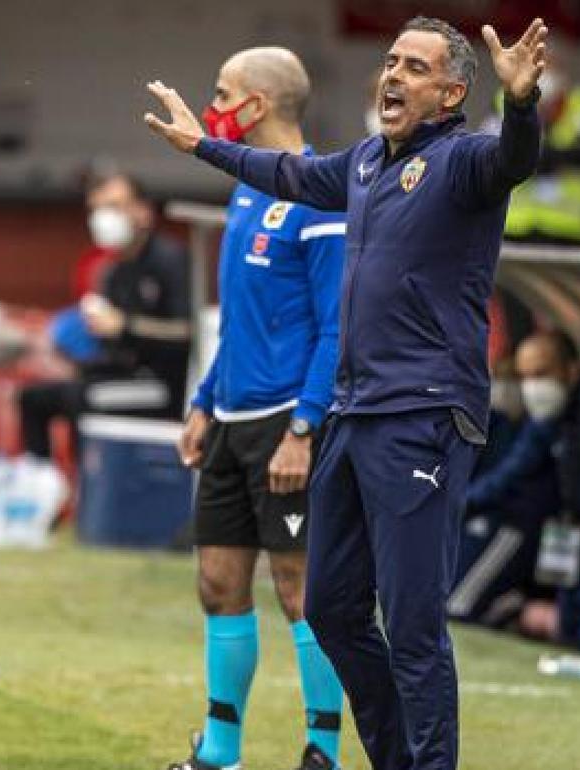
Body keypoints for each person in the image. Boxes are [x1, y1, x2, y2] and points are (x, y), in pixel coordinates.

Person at [145, 15, 546, 770]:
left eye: (415, 68)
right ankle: (396, 759)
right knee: (329, 608)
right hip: (354, 414)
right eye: (391, 62)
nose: (394, 76)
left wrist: (522, 104)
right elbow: (290, 175)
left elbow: (514, 160)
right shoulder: (364, 164)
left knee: (414, 622)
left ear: (452, 91)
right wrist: (203, 146)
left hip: (424, 414)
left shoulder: (462, 162)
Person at [170, 47, 345, 770]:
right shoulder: (244, 188)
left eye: (221, 92)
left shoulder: (321, 196)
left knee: (300, 590)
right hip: (232, 422)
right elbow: (240, 319)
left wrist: (304, 426)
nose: (213, 105)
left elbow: (338, 328)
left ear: (259, 104)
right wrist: (206, 400)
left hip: (287, 424)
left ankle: (323, 752)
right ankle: (219, 752)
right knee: (217, 583)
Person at [18, 171, 190, 461]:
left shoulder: (171, 260)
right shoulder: (113, 272)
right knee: (34, 398)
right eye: (96, 210)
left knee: (80, 398)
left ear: (142, 211)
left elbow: (188, 331)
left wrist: (126, 326)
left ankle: (91, 489)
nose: (102, 217)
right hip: (123, 376)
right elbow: (113, 348)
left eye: (113, 206)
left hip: (164, 385)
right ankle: (43, 482)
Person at [466, 331, 580, 654]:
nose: (532, 386)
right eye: (525, 376)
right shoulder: (546, 421)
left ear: (572, 371)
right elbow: (510, 475)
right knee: (570, 632)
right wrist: (453, 509)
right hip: (573, 536)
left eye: (541, 374)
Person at [447, 355, 558, 627]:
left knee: (456, 605)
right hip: (484, 514)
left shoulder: (541, 426)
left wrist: (460, 505)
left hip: (515, 520)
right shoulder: (493, 421)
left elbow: (508, 477)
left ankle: (511, 607)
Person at [484, 51, 580, 244]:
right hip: (515, 225)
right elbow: (491, 149)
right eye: (537, 67)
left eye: (550, 67)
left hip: (566, 227)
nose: (543, 74)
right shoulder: (503, 100)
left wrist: (553, 157)